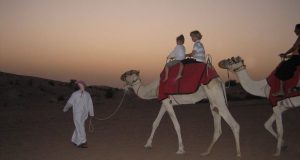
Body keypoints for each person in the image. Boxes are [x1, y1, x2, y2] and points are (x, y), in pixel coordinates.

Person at [63, 80, 94, 148]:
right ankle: (79, 141)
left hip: (83, 114)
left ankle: (78, 141)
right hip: (77, 114)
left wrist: (91, 113)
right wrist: (65, 109)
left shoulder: (87, 94)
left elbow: (90, 104)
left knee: (79, 126)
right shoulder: (75, 94)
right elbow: (69, 103)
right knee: (80, 126)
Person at [273, 24, 300, 96]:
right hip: (295, 57)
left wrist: (285, 54)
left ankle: (282, 90)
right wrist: (287, 55)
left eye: (296, 29)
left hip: (297, 59)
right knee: (282, 67)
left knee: (282, 70)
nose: (294, 31)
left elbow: (294, 48)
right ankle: (282, 90)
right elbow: (296, 51)